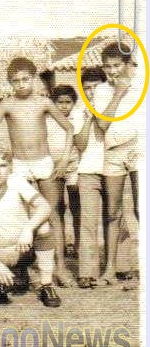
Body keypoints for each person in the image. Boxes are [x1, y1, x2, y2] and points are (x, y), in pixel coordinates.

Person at [0, 57, 76, 288]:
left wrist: (63, 159)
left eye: (26, 79)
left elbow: (69, 128)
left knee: (52, 215)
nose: (21, 84)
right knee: (22, 216)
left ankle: (60, 268)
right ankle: (25, 268)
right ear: (9, 82)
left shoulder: (43, 102)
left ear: (33, 79)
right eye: (16, 81)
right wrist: (0, 154)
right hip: (20, 166)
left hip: (44, 162)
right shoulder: (7, 104)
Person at [0, 145, 61, 307]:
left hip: (23, 248)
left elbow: (44, 206)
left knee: (43, 225)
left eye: (2, 166)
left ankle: (46, 285)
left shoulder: (17, 182)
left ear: (10, 167)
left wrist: (28, 228)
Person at [92, 42, 141, 285]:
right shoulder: (101, 91)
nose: (112, 71)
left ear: (127, 65)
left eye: (116, 66)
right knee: (112, 212)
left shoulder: (142, 86)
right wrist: (118, 93)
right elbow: (101, 125)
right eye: (107, 66)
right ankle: (110, 269)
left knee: (142, 209)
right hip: (112, 151)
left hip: (139, 150)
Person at [71, 67, 109, 288]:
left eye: (96, 87)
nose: (92, 92)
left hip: (114, 168)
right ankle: (87, 272)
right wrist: (88, 118)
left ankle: (119, 266)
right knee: (88, 221)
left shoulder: (117, 105)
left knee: (115, 217)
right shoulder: (79, 111)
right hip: (88, 170)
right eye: (87, 89)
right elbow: (80, 144)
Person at [48, 85, 81, 259]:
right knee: (58, 206)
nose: (64, 106)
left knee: (76, 206)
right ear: (53, 103)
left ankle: (77, 244)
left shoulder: (77, 118)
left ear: (74, 103)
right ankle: (58, 246)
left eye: (68, 102)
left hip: (74, 166)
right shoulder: (48, 119)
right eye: (60, 102)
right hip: (54, 167)